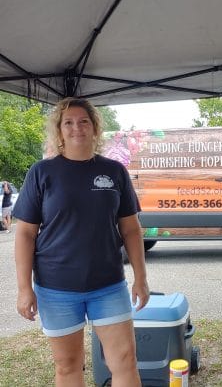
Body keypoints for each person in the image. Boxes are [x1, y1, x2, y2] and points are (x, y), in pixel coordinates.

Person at [14, 97, 149, 387]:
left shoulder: (115, 172)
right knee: (68, 366)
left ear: (95, 127)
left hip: (108, 285)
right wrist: (25, 289)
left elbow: (131, 229)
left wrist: (141, 278)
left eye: (84, 121)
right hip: (56, 288)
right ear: (60, 131)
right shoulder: (42, 172)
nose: (77, 127)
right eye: (69, 122)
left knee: (125, 360)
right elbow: (25, 234)